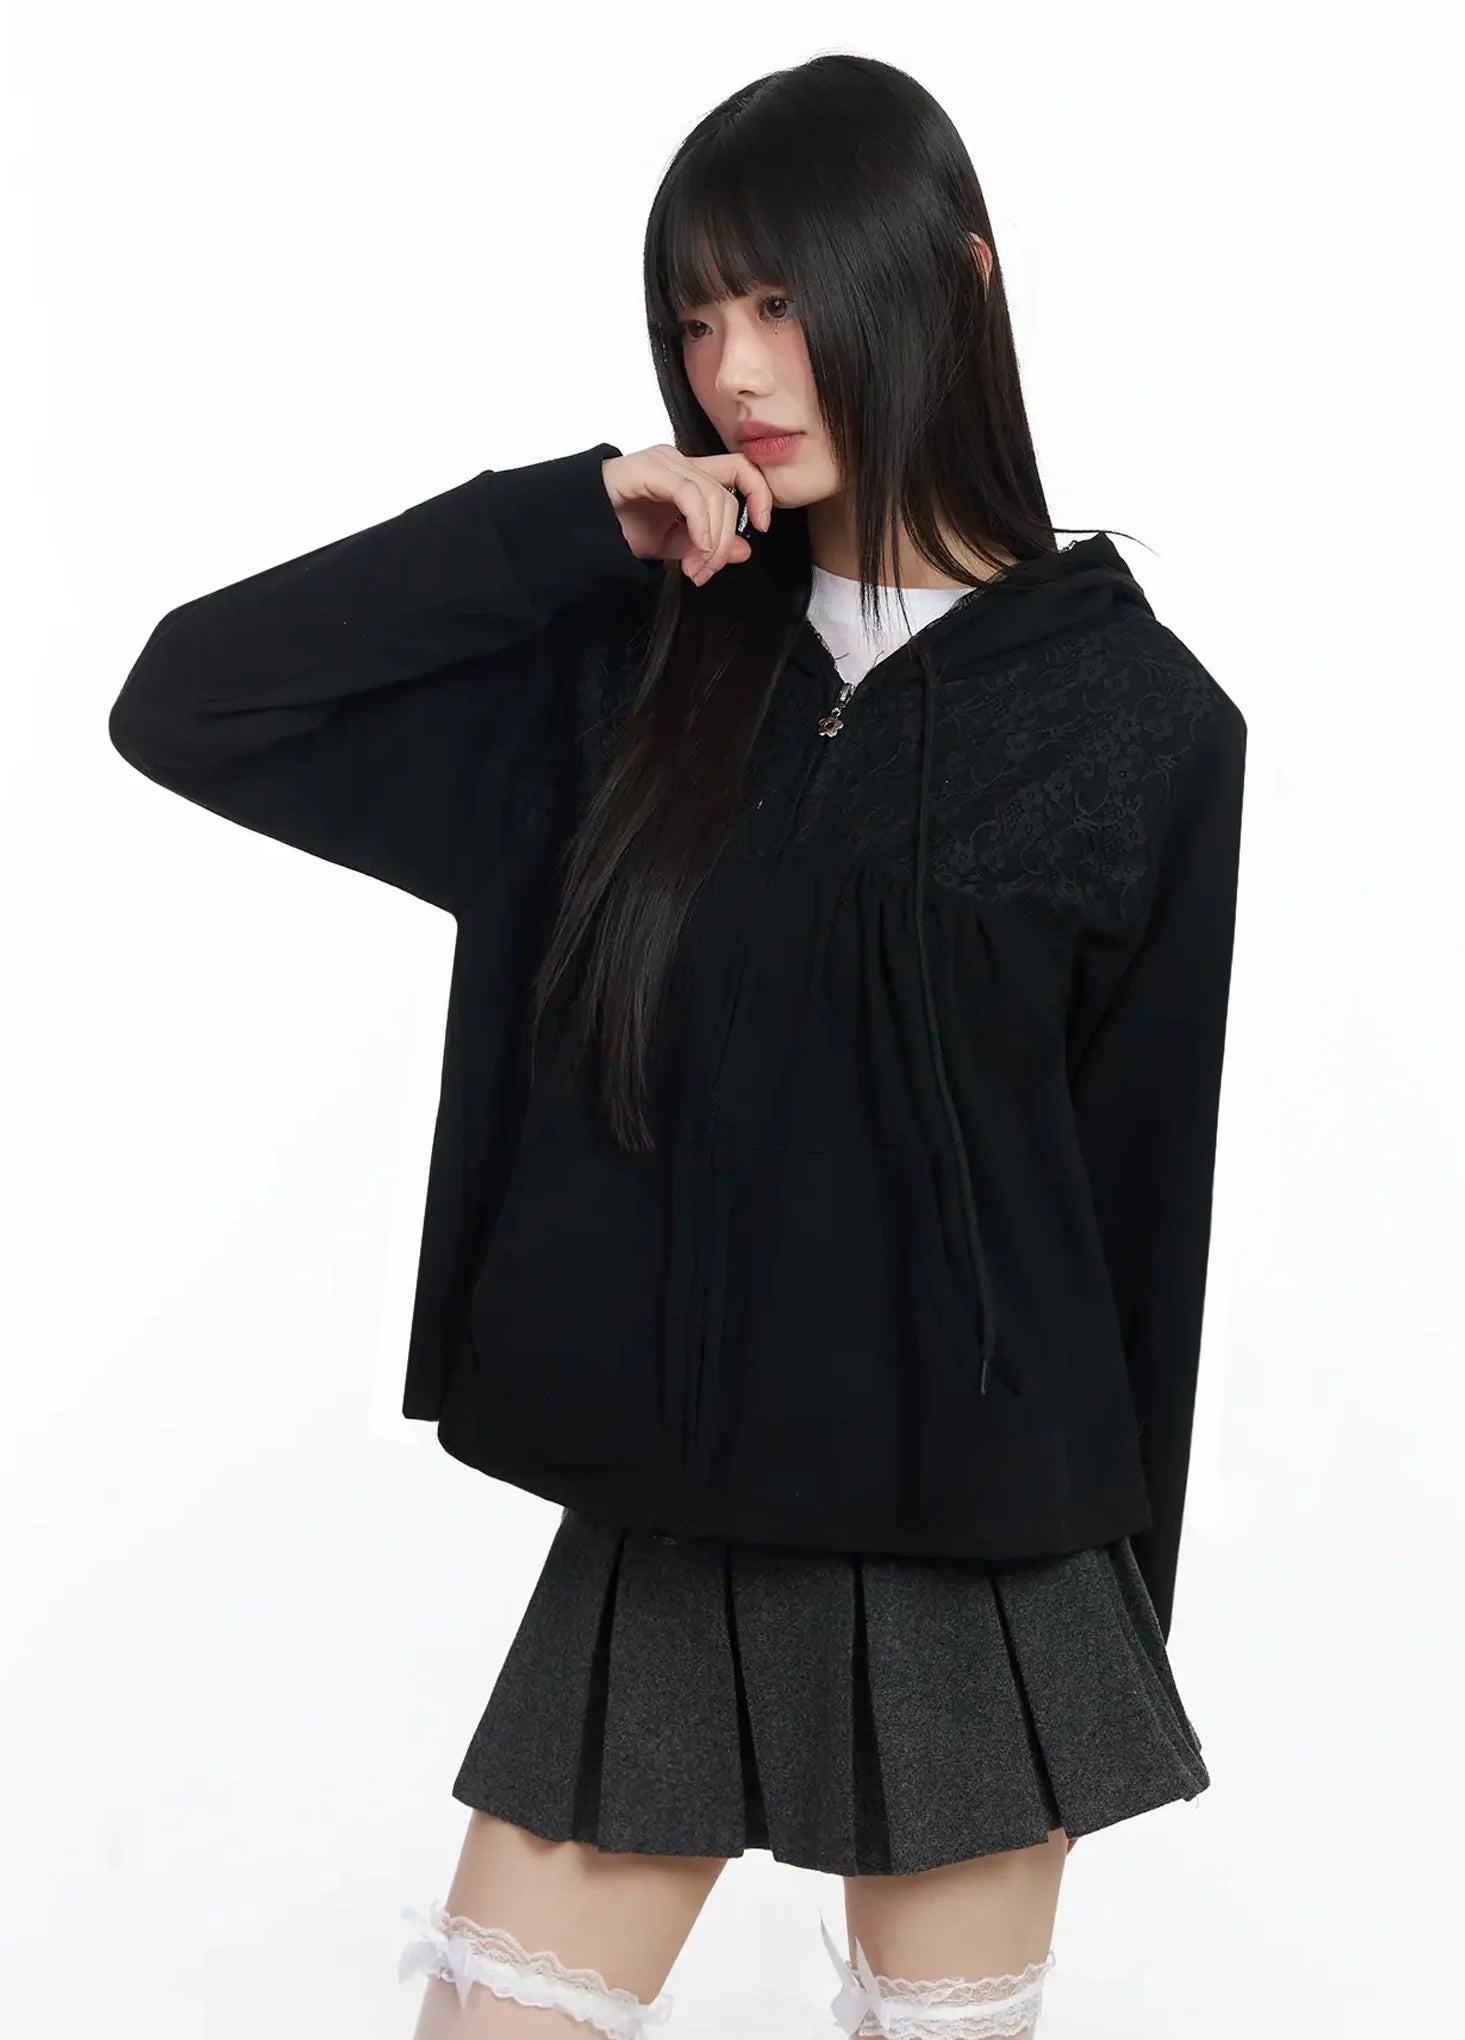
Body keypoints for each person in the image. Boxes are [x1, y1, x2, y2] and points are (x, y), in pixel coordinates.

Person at [107, 51, 1246, 2040]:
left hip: (985, 1563)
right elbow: (194, 701)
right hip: (670, 1528)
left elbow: (1145, 1221)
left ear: (957, 276)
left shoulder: (1145, 728)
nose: (734, 369)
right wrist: (564, 523)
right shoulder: (632, 666)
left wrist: (1109, 1656)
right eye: (698, 316)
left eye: (781, 301)